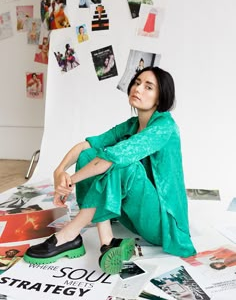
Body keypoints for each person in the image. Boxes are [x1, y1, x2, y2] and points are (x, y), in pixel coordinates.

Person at [24, 66, 196, 274]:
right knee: (92, 156)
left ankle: (69, 235)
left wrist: (70, 181)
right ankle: (108, 243)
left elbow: (112, 159)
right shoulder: (132, 125)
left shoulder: (164, 127)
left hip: (163, 224)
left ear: (160, 98)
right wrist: (59, 171)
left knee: (122, 164)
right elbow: (85, 147)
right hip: (134, 217)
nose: (138, 89)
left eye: (148, 87)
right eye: (137, 82)